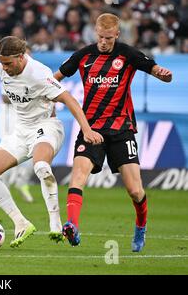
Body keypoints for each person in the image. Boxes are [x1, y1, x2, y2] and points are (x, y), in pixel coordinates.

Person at [0, 36, 103, 248]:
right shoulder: (4, 67)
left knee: (41, 167)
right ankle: (21, 223)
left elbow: (68, 99)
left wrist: (86, 128)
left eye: (8, 63)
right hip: (20, 132)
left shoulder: (39, 74)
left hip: (46, 128)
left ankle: (55, 224)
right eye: (2, 63)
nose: (4, 68)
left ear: (21, 56)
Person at [53, 13, 172, 252]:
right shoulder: (83, 55)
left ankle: (140, 226)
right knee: (77, 176)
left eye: (108, 37)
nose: (104, 42)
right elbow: (54, 80)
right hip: (91, 129)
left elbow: (156, 70)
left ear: (117, 34)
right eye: (100, 37)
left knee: (135, 190)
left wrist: (163, 73)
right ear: (95, 32)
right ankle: (72, 226)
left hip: (121, 130)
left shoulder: (128, 54)